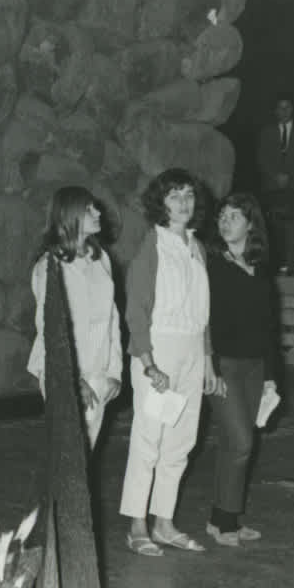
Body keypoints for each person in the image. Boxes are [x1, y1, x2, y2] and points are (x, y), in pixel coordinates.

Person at [121, 168, 221, 557]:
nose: (184, 203)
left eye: (189, 195)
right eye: (175, 196)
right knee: (150, 439)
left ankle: (164, 522)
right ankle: (137, 525)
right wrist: (148, 364)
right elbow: (137, 311)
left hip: (193, 352)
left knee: (182, 441)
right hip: (158, 351)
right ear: (160, 203)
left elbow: (204, 313)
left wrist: (209, 361)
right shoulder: (153, 245)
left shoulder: (196, 247)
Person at [205, 193, 280, 547]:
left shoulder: (261, 266)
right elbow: (204, 321)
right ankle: (227, 523)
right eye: (223, 215)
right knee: (240, 443)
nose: (226, 220)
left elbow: (270, 326)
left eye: (235, 215)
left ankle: (221, 520)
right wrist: (210, 366)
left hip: (255, 367)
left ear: (250, 224)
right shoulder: (210, 264)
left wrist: (271, 377)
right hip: (224, 365)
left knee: (231, 447)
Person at [25, 186, 122, 449]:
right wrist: (72, 380)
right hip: (64, 373)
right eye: (89, 209)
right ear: (70, 215)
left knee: (86, 453)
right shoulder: (50, 266)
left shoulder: (101, 259)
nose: (97, 212)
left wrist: (114, 371)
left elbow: (112, 319)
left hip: (98, 373)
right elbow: (49, 329)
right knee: (68, 455)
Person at [255, 94, 294, 273]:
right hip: (272, 187)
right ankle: (274, 266)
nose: (284, 111)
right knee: (273, 228)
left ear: (292, 109)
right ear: (275, 111)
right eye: (280, 107)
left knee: (293, 228)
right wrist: (275, 176)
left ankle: (292, 267)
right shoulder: (266, 132)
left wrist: (289, 176)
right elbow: (261, 158)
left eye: (287, 107)